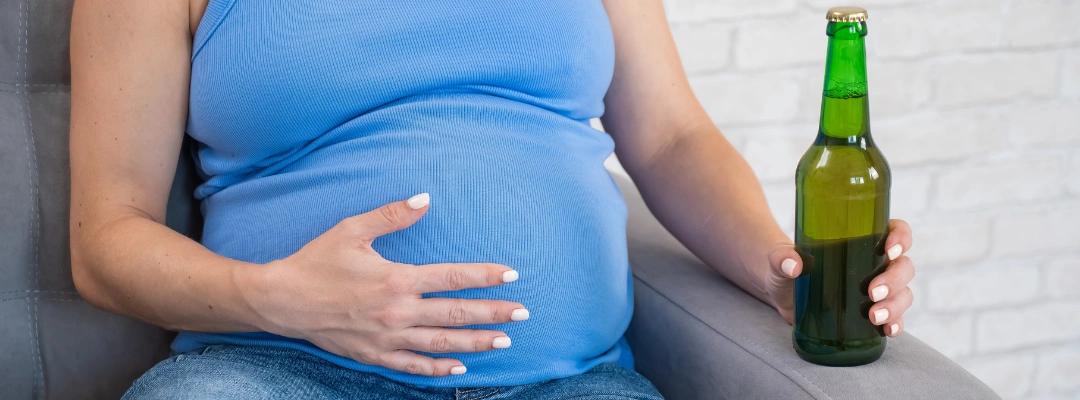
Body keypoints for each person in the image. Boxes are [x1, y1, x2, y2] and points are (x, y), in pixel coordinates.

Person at [69, 0, 917, 398]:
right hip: (274, 372)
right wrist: (274, 299)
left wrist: (781, 270)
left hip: (569, 385)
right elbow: (106, 239)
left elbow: (669, 138)